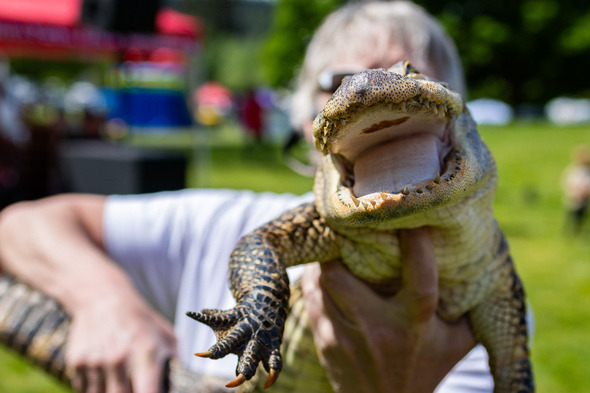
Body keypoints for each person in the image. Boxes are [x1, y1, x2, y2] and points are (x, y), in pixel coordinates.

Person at [0, 2, 493, 392]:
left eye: (409, 76)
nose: (377, 95)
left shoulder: (482, 287)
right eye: (341, 82)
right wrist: (102, 301)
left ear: (458, 121)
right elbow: (18, 226)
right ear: (305, 120)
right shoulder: (229, 221)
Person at [561, 145, 590, 235]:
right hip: (574, 197)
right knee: (572, 216)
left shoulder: (587, 170)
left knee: (582, 217)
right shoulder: (572, 170)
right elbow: (567, 182)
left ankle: (579, 232)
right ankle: (569, 232)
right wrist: (574, 192)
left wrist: (585, 192)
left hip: (585, 198)